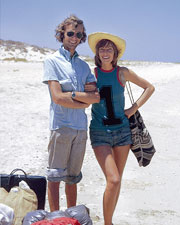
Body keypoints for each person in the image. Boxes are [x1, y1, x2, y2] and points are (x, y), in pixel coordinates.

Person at [86, 32, 155, 224]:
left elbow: (149, 87)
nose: (105, 52)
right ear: (97, 53)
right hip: (100, 132)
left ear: (116, 53)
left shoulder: (122, 73)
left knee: (117, 181)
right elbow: (83, 96)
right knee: (113, 179)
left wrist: (133, 108)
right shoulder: (93, 74)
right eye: (102, 48)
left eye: (109, 49)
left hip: (123, 133)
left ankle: (110, 220)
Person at [43, 15, 100, 211]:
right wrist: (82, 101)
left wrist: (74, 95)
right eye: (70, 33)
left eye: (78, 34)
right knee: (54, 177)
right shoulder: (52, 61)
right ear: (62, 34)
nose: (74, 37)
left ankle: (71, 216)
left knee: (73, 177)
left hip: (80, 129)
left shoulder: (83, 65)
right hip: (61, 126)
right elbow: (57, 97)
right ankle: (55, 217)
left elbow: (95, 97)